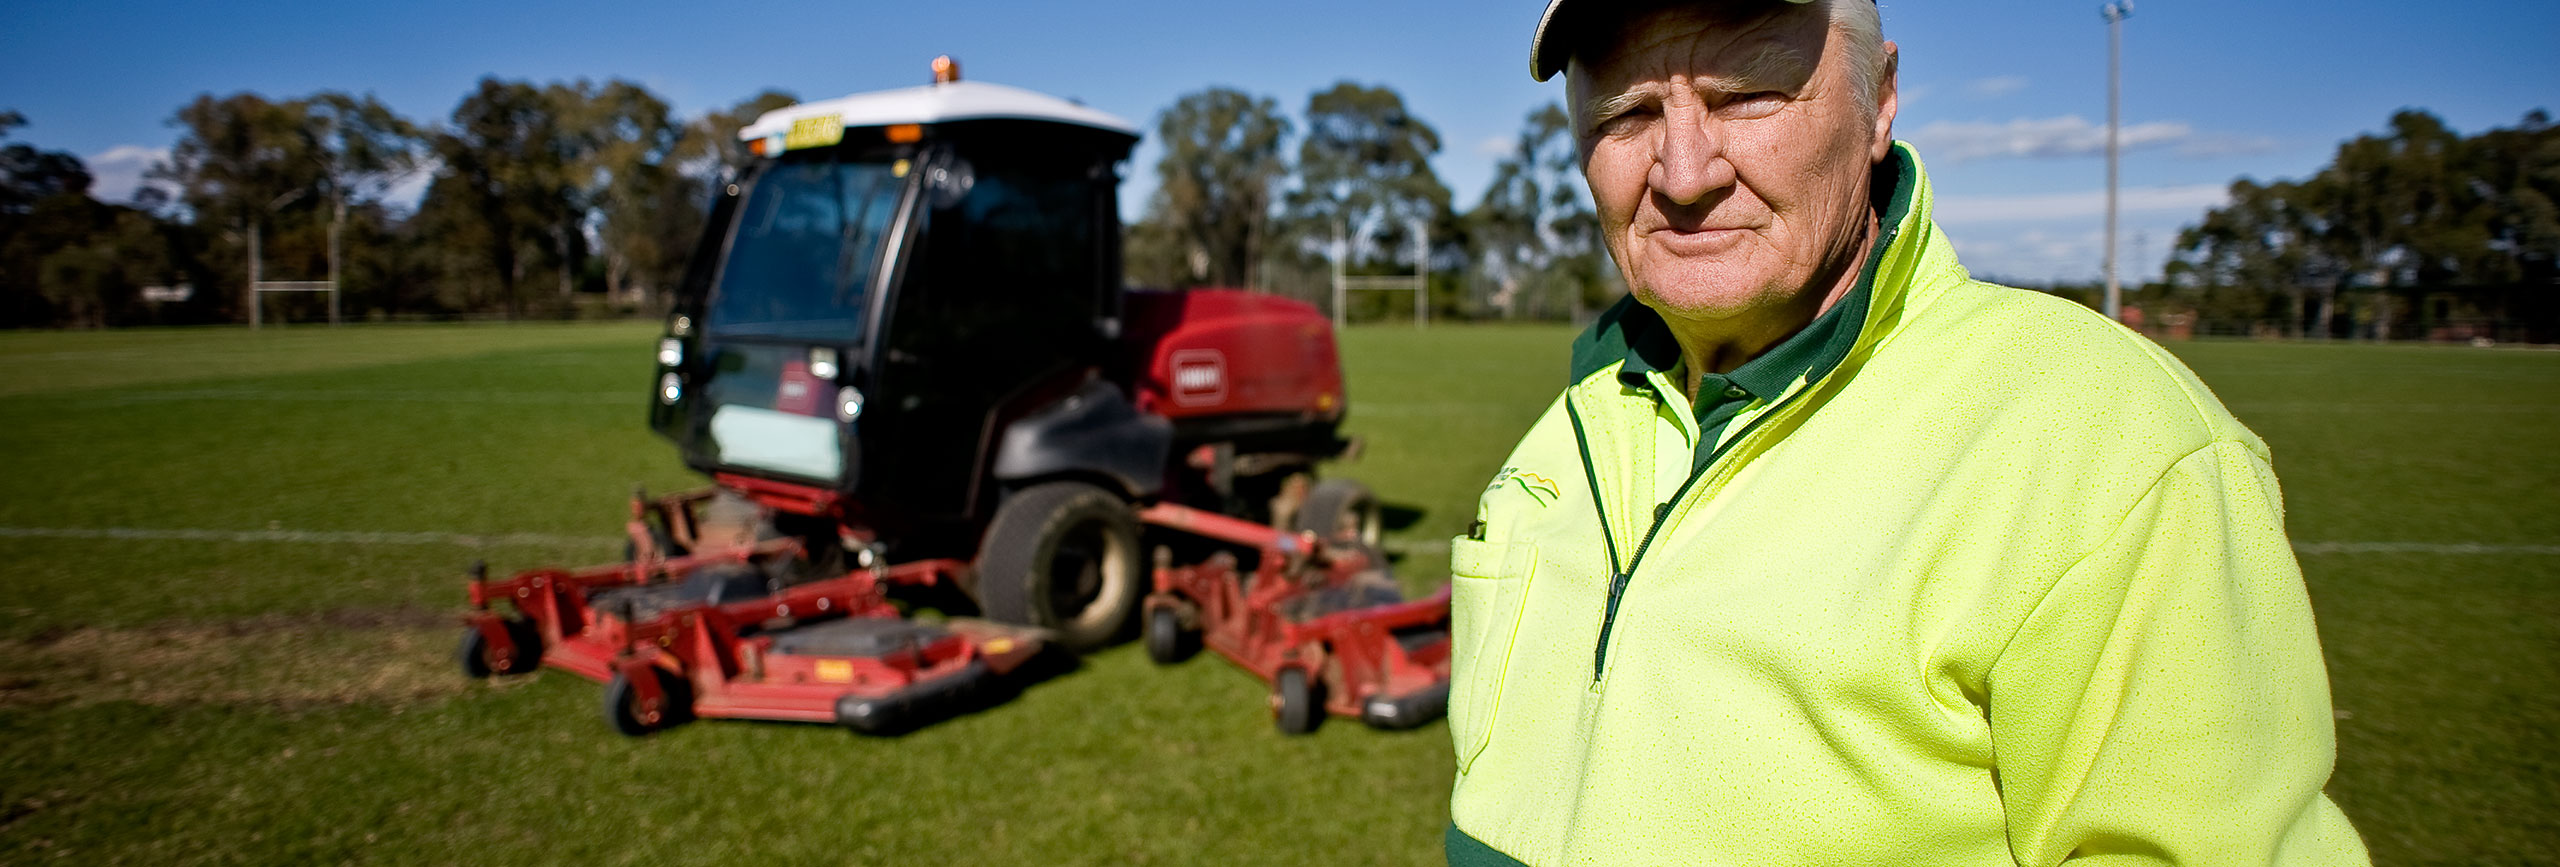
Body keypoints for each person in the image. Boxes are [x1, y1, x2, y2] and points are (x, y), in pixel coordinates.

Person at [1444, 1, 2370, 864]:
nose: (1684, 174)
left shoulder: (2112, 444)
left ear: (1879, 103)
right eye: (1628, 113)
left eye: (1750, 95)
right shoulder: (1574, 419)